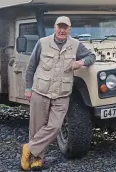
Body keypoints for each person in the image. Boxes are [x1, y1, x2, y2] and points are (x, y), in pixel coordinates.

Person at [20, 16, 96, 171]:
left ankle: (28, 148)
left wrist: (80, 62)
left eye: (65, 27)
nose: (62, 30)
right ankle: (37, 160)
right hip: (41, 92)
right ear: (54, 27)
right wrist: (28, 89)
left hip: (62, 95)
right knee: (36, 128)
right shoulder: (42, 43)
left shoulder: (75, 45)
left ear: (69, 29)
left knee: (54, 127)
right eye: (59, 27)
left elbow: (91, 57)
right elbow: (31, 67)